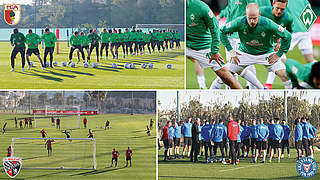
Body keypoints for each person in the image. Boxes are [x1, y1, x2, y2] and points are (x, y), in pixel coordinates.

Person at [212, 3, 292, 89]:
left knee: (285, 75)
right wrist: (231, 51)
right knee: (223, 74)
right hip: (244, 54)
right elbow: (221, 31)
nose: (252, 21)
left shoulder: (267, 23)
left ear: (259, 15)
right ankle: (207, 100)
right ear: (246, 14)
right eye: (250, 18)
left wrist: (279, 54)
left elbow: (287, 35)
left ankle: (291, 100)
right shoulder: (239, 22)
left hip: (266, 54)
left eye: (254, 18)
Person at [186, 0, 242, 89]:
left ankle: (246, 93)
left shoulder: (200, 7)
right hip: (184, 45)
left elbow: (217, 29)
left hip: (207, 46)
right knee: (233, 68)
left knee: (231, 72)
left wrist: (215, 50)